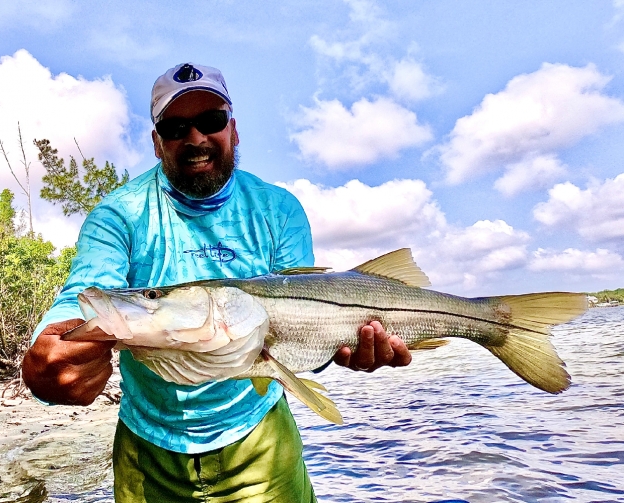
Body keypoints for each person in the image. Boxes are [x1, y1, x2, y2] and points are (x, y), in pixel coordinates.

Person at [22, 63, 413, 503]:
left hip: (261, 443)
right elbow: (88, 288)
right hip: (147, 448)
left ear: (234, 130)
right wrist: (50, 353)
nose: (195, 138)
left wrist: (338, 351)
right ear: (156, 142)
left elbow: (302, 338)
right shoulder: (119, 215)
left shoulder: (278, 209)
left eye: (211, 121)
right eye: (174, 127)